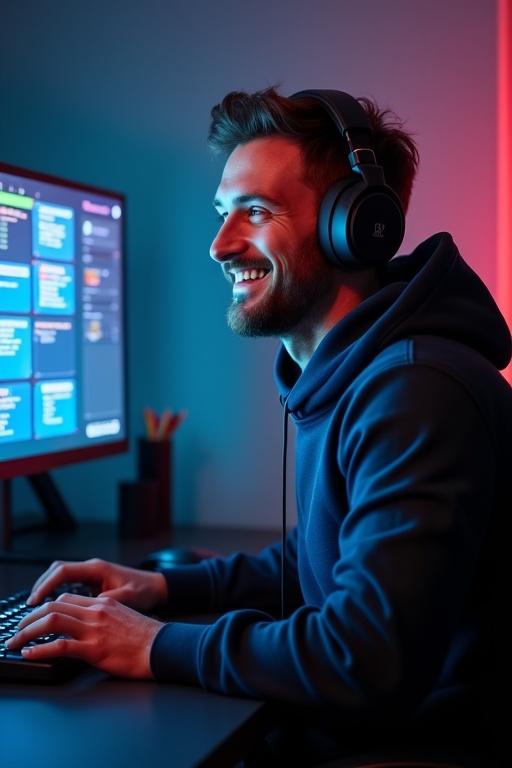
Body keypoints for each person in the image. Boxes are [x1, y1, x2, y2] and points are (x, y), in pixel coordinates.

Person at [6, 87, 511, 765]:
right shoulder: (356, 377)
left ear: (355, 226)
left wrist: (150, 643)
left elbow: (367, 658)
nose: (219, 245)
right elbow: (319, 561)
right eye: (221, 214)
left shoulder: (418, 391)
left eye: (255, 211)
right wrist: (165, 588)